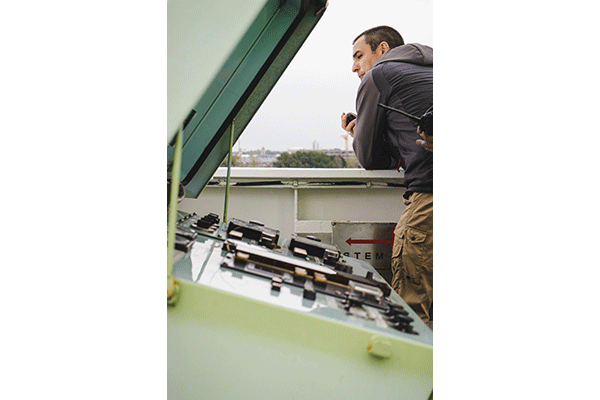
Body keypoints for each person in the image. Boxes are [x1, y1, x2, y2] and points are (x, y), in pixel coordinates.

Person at [341, 26, 433, 325]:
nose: (355, 66)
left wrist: (357, 132)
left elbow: (370, 158)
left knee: (411, 312)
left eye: (359, 56)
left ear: (382, 49)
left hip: (429, 198)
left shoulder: (378, 76)